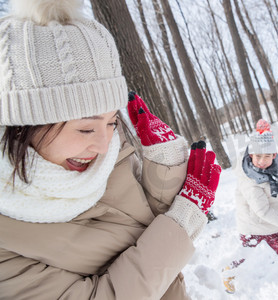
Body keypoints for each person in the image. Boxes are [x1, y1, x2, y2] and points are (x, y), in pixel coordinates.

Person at [0, 1, 221, 299]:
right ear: (20, 125)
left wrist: (164, 175)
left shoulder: (107, 157)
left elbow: (137, 233)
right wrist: (181, 223)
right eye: (86, 128)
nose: (104, 145)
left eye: (112, 122)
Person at [222, 119, 278, 296]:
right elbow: (261, 211)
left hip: (271, 222)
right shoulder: (250, 180)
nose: (262, 161)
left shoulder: (273, 168)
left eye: (267, 156)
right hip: (253, 225)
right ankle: (228, 274)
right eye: (258, 157)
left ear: (274, 156)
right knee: (244, 254)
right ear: (250, 156)